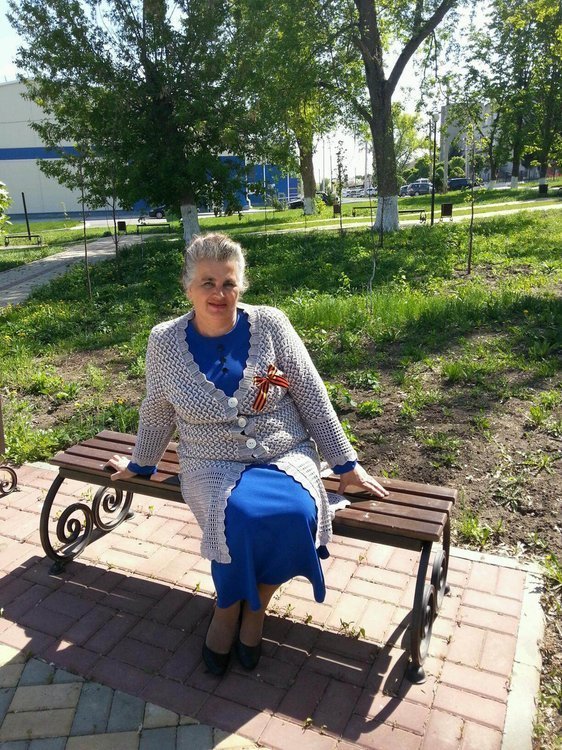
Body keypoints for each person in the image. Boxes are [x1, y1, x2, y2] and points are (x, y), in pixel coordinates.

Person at [105, 232, 388, 675]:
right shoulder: (164, 341)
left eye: (229, 283)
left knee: (295, 512)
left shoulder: (271, 324)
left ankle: (255, 607)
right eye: (208, 283)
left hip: (284, 452)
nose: (219, 293)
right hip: (209, 462)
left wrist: (345, 465)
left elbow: (311, 394)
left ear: (242, 286)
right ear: (188, 287)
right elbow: (157, 409)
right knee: (236, 517)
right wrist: (141, 463)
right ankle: (228, 607)